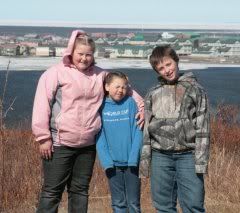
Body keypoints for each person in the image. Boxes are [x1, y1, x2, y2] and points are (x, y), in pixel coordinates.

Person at [32, 30, 144, 213]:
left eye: (88, 55)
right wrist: (43, 137)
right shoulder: (55, 73)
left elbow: (127, 90)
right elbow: (41, 105)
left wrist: (142, 108)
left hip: (87, 145)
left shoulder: (101, 76)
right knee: (52, 192)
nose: (84, 58)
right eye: (80, 54)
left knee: (80, 192)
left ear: (93, 55)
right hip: (60, 143)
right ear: (71, 52)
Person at [139, 45, 210, 213]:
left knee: (193, 205)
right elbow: (147, 131)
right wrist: (145, 162)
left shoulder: (195, 90)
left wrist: (201, 163)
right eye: (161, 68)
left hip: (188, 156)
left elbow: (203, 128)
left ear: (176, 61)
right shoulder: (153, 93)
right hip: (160, 156)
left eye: (168, 64)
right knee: (163, 206)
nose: (166, 70)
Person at [96, 71, 142, 213]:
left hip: (131, 164)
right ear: (107, 87)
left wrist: (134, 158)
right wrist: (106, 161)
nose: (121, 90)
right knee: (118, 203)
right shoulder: (101, 107)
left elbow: (138, 131)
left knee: (133, 203)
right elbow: (99, 136)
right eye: (117, 87)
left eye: (124, 87)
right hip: (113, 165)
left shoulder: (130, 103)